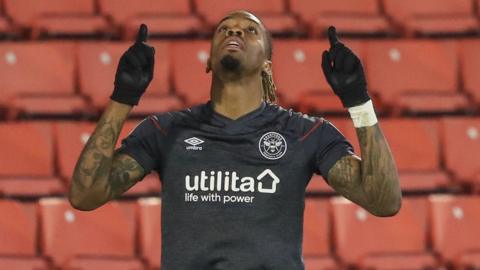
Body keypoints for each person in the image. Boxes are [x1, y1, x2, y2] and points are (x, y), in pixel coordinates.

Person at [69, 10, 401, 270]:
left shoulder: (305, 133)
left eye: (249, 30)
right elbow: (85, 195)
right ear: (209, 62)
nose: (235, 32)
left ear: (267, 65)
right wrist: (123, 97)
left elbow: (383, 202)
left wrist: (358, 101)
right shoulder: (166, 130)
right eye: (224, 30)